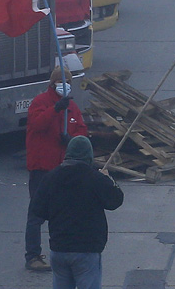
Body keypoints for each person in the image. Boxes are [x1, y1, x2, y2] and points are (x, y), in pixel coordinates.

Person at [28, 135, 124, 289]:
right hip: (87, 249)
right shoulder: (95, 178)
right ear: (89, 156)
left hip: (59, 248)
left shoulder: (51, 177)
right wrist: (108, 179)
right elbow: (115, 200)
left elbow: (38, 209)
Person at [25, 67, 88, 272]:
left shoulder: (73, 108)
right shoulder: (40, 103)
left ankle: (62, 254)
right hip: (42, 168)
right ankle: (33, 256)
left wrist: (72, 141)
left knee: (62, 214)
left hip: (63, 169)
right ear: (52, 84)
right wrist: (56, 109)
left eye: (68, 81)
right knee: (36, 214)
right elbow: (37, 124)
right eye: (61, 81)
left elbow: (82, 134)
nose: (65, 85)